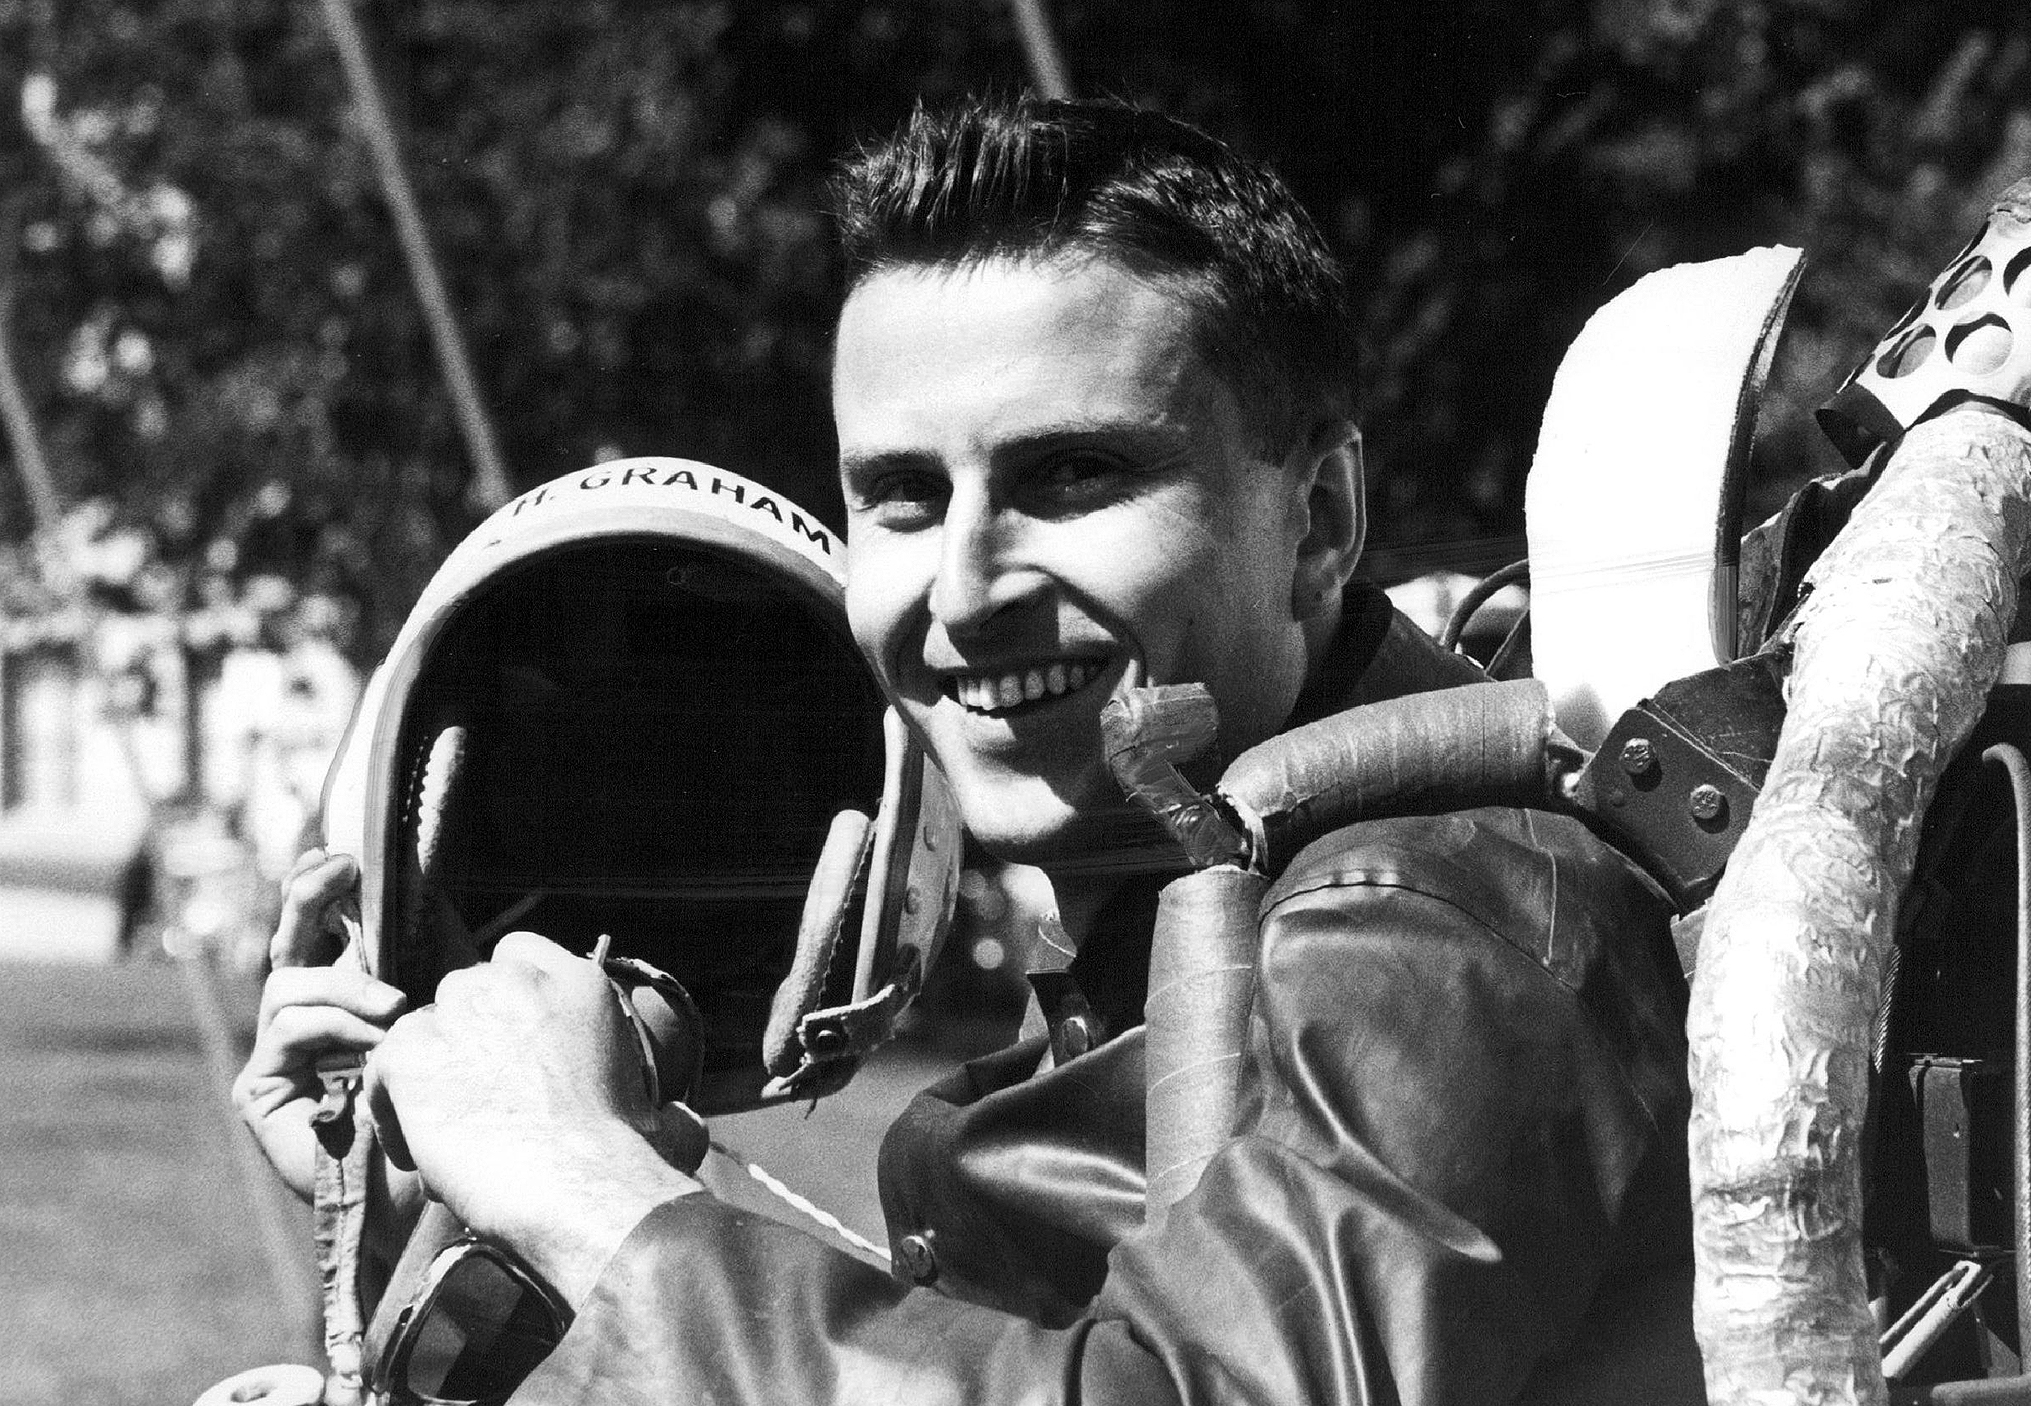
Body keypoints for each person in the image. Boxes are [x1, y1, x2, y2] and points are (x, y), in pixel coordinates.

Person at [235, 96, 1702, 1403]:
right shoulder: (1190, 919)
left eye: (1074, 475)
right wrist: (441, 1213)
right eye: (902, 496)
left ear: (1316, 521)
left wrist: (584, 1183)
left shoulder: (1441, 912)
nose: (966, 589)